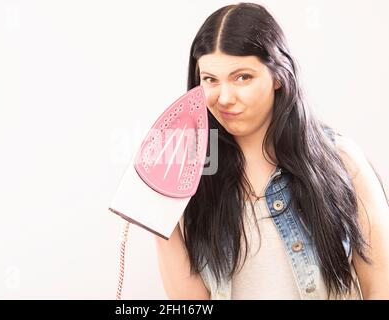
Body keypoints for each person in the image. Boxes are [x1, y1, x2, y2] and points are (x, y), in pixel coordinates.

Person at [155, 2, 389, 300]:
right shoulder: (194, 174)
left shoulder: (340, 161)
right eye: (210, 79)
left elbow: (381, 287)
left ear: (278, 75)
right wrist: (157, 212)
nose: (224, 97)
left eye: (243, 77)